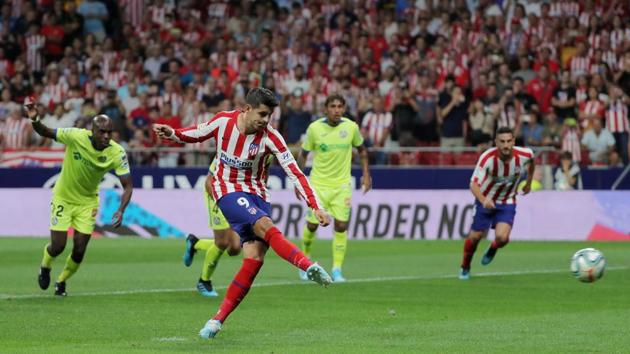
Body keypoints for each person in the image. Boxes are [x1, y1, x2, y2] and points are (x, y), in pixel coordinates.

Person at [153, 87, 332, 339]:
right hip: (226, 188)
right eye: (262, 113)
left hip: (257, 194)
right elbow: (197, 133)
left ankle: (216, 321)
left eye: (269, 115)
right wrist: (174, 133)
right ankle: (306, 265)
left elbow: (295, 172)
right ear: (246, 109)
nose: (266, 120)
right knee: (264, 225)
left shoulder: (271, 137)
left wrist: (316, 206)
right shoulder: (224, 121)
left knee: (254, 258)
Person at [24, 97, 133, 296]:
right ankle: (45, 266)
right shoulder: (75, 136)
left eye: (110, 132)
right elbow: (46, 132)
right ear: (92, 130)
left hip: (87, 202)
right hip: (63, 198)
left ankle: (62, 281)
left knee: (80, 249)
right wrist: (35, 119)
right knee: (57, 246)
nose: (107, 136)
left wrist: (120, 209)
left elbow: (128, 185)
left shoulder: (117, 153)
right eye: (102, 132)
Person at [298, 93, 372, 282]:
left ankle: (337, 269)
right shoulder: (314, 129)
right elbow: (303, 154)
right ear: (326, 109)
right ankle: (304, 262)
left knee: (340, 225)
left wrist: (365, 174)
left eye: (340, 106)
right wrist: (299, 181)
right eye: (333, 106)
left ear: (344, 109)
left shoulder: (351, 127)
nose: (337, 110)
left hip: (342, 186)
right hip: (318, 185)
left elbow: (362, 151)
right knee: (312, 225)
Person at [459, 127, 535, 280]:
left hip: (507, 200)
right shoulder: (487, 158)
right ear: (496, 143)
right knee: (475, 237)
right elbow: (473, 184)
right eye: (502, 142)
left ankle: (493, 247)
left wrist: (528, 182)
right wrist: (483, 200)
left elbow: (532, 161)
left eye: (509, 141)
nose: (506, 145)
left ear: (513, 141)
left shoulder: (525, 154)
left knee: (502, 238)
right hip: (486, 199)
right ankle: (465, 266)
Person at [182, 159, 242, 297]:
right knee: (222, 242)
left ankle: (195, 243)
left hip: (235, 197)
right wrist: (221, 202)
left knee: (235, 248)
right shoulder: (226, 152)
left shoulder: (256, 152)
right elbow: (208, 181)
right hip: (216, 195)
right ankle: (204, 281)